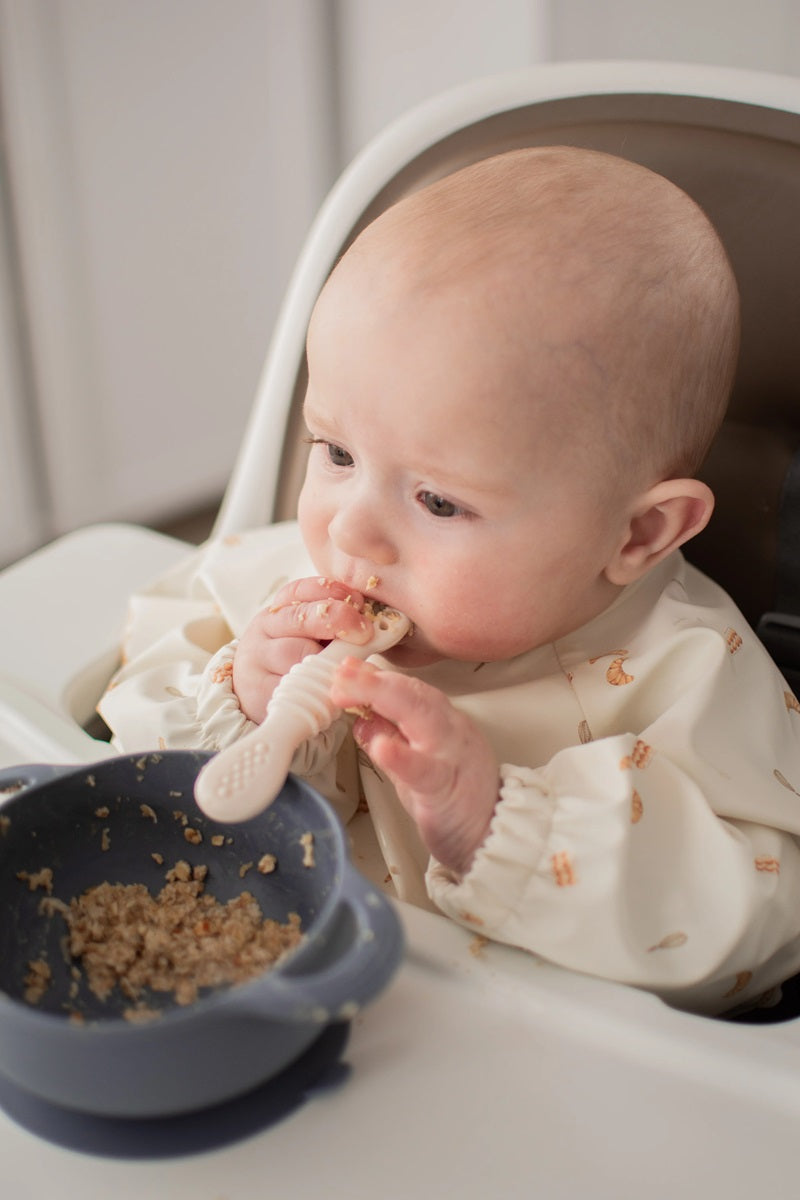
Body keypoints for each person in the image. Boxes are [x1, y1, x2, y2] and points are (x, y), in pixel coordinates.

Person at [99, 146, 800, 1018]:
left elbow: (767, 925)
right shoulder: (296, 579)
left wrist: (504, 825)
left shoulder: (690, 673)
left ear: (640, 533)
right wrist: (244, 700)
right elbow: (124, 696)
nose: (349, 528)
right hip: (267, 991)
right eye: (337, 452)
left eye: (437, 499)